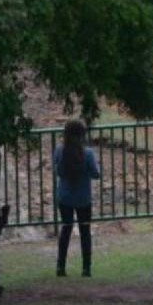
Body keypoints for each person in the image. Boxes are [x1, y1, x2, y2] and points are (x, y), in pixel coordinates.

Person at [53, 119, 100, 277]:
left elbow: (58, 172)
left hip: (64, 197)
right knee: (85, 231)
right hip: (83, 198)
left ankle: (61, 267)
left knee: (66, 229)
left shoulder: (59, 150)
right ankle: (86, 268)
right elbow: (96, 174)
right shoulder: (88, 153)